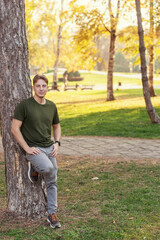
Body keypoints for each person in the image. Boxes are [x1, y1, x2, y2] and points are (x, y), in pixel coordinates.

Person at [11, 74, 61, 229]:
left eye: (44, 86)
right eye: (38, 86)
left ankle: (51, 214)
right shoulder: (25, 105)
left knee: (52, 180)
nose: (41, 89)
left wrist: (57, 143)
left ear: (47, 87)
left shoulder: (52, 106)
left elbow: (56, 126)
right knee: (48, 169)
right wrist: (26, 148)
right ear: (33, 87)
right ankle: (34, 167)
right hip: (34, 149)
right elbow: (14, 128)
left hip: (49, 147)